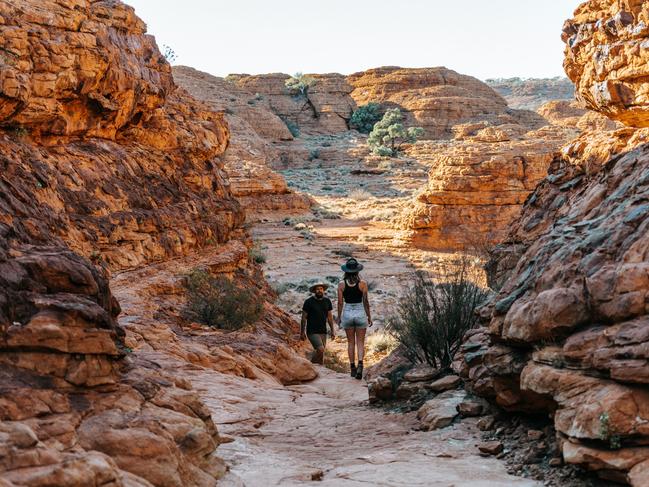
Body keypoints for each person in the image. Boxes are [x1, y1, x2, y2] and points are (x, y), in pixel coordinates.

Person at [337, 258, 372, 379]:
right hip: (360, 311)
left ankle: (352, 367)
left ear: (346, 271)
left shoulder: (341, 284)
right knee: (360, 342)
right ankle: (360, 364)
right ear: (357, 271)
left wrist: (339, 317)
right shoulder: (363, 284)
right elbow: (366, 301)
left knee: (350, 342)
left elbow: (340, 303)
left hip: (347, 312)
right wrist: (369, 317)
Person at [301, 282, 335, 365]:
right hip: (312, 331)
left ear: (323, 290)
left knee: (321, 354)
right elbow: (303, 318)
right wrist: (302, 332)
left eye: (321, 289)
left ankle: (320, 369)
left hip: (323, 331)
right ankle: (310, 365)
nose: (319, 290)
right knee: (320, 349)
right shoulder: (308, 302)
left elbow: (330, 317)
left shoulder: (327, 301)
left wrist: (332, 331)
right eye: (317, 289)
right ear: (314, 291)